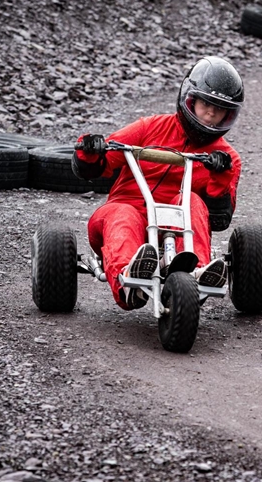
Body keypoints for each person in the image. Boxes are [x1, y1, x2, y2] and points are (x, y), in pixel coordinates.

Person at [71, 56, 243, 310]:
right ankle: (128, 280)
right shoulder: (149, 128)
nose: (211, 113)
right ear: (190, 99)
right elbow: (98, 166)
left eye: (220, 108)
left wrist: (220, 174)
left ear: (229, 114)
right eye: (206, 103)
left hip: (179, 230)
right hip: (125, 215)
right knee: (123, 213)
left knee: (192, 201)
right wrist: (90, 150)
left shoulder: (226, 159)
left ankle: (196, 272)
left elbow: (218, 220)